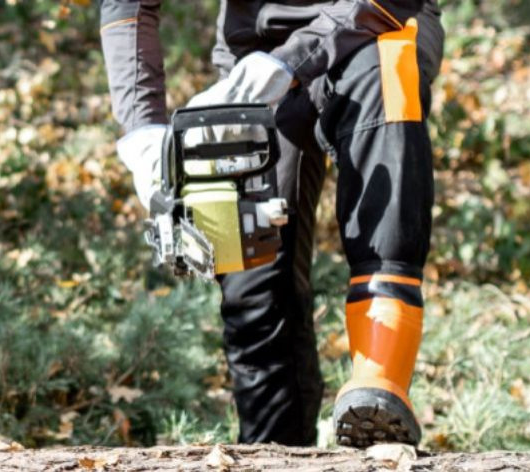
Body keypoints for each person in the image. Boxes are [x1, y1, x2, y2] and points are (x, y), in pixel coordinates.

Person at [99, 0, 443, 447]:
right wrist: (142, 128)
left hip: (376, 25)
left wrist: (292, 59)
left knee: (387, 72)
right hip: (254, 54)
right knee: (255, 279)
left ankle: (379, 385)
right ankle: (270, 449)